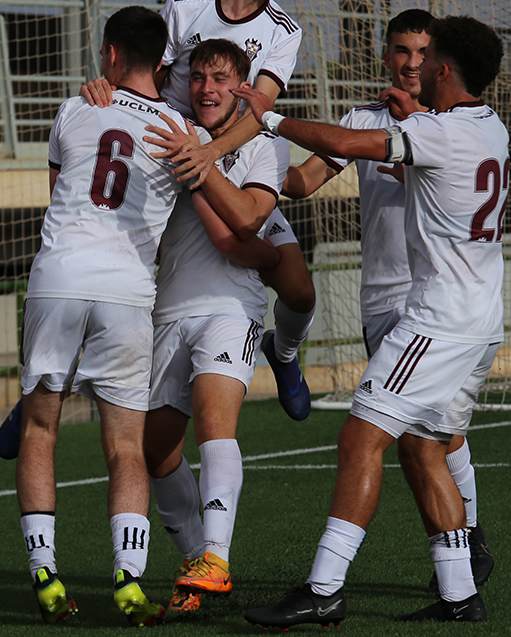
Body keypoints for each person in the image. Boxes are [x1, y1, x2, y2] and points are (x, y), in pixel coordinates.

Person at [235, 15, 509, 626]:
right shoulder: (490, 126)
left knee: (362, 438)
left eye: (426, 53)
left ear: (440, 68)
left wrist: (267, 117)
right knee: (428, 448)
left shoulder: (437, 132)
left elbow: (358, 146)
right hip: (477, 319)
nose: (416, 62)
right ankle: (460, 595)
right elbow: (329, 162)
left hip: (437, 319)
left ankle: (324, 588)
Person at [79, 0, 317, 420]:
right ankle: (47, 382)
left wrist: (208, 154)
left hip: (228, 161)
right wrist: (107, 87)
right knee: (113, 262)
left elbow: (259, 110)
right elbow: (148, 78)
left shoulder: (284, 30)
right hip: (172, 161)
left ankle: (284, 353)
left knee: (300, 291)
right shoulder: (185, 4)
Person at [14, 6, 186, 626]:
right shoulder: (178, 128)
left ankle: (46, 576)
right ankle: (130, 582)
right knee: (124, 447)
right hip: (127, 291)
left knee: (40, 430)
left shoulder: (74, 108)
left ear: (111, 55)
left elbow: (60, 188)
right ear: (161, 61)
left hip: (57, 278)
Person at [140, 38, 290, 615]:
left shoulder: (262, 144)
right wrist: (99, 89)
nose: (207, 88)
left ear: (242, 85)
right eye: (199, 76)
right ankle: (195, 557)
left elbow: (249, 222)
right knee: (155, 452)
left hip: (232, 307)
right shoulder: (169, 128)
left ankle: (217, 559)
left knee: (214, 425)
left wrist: (199, 163)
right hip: (168, 308)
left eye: (221, 78)